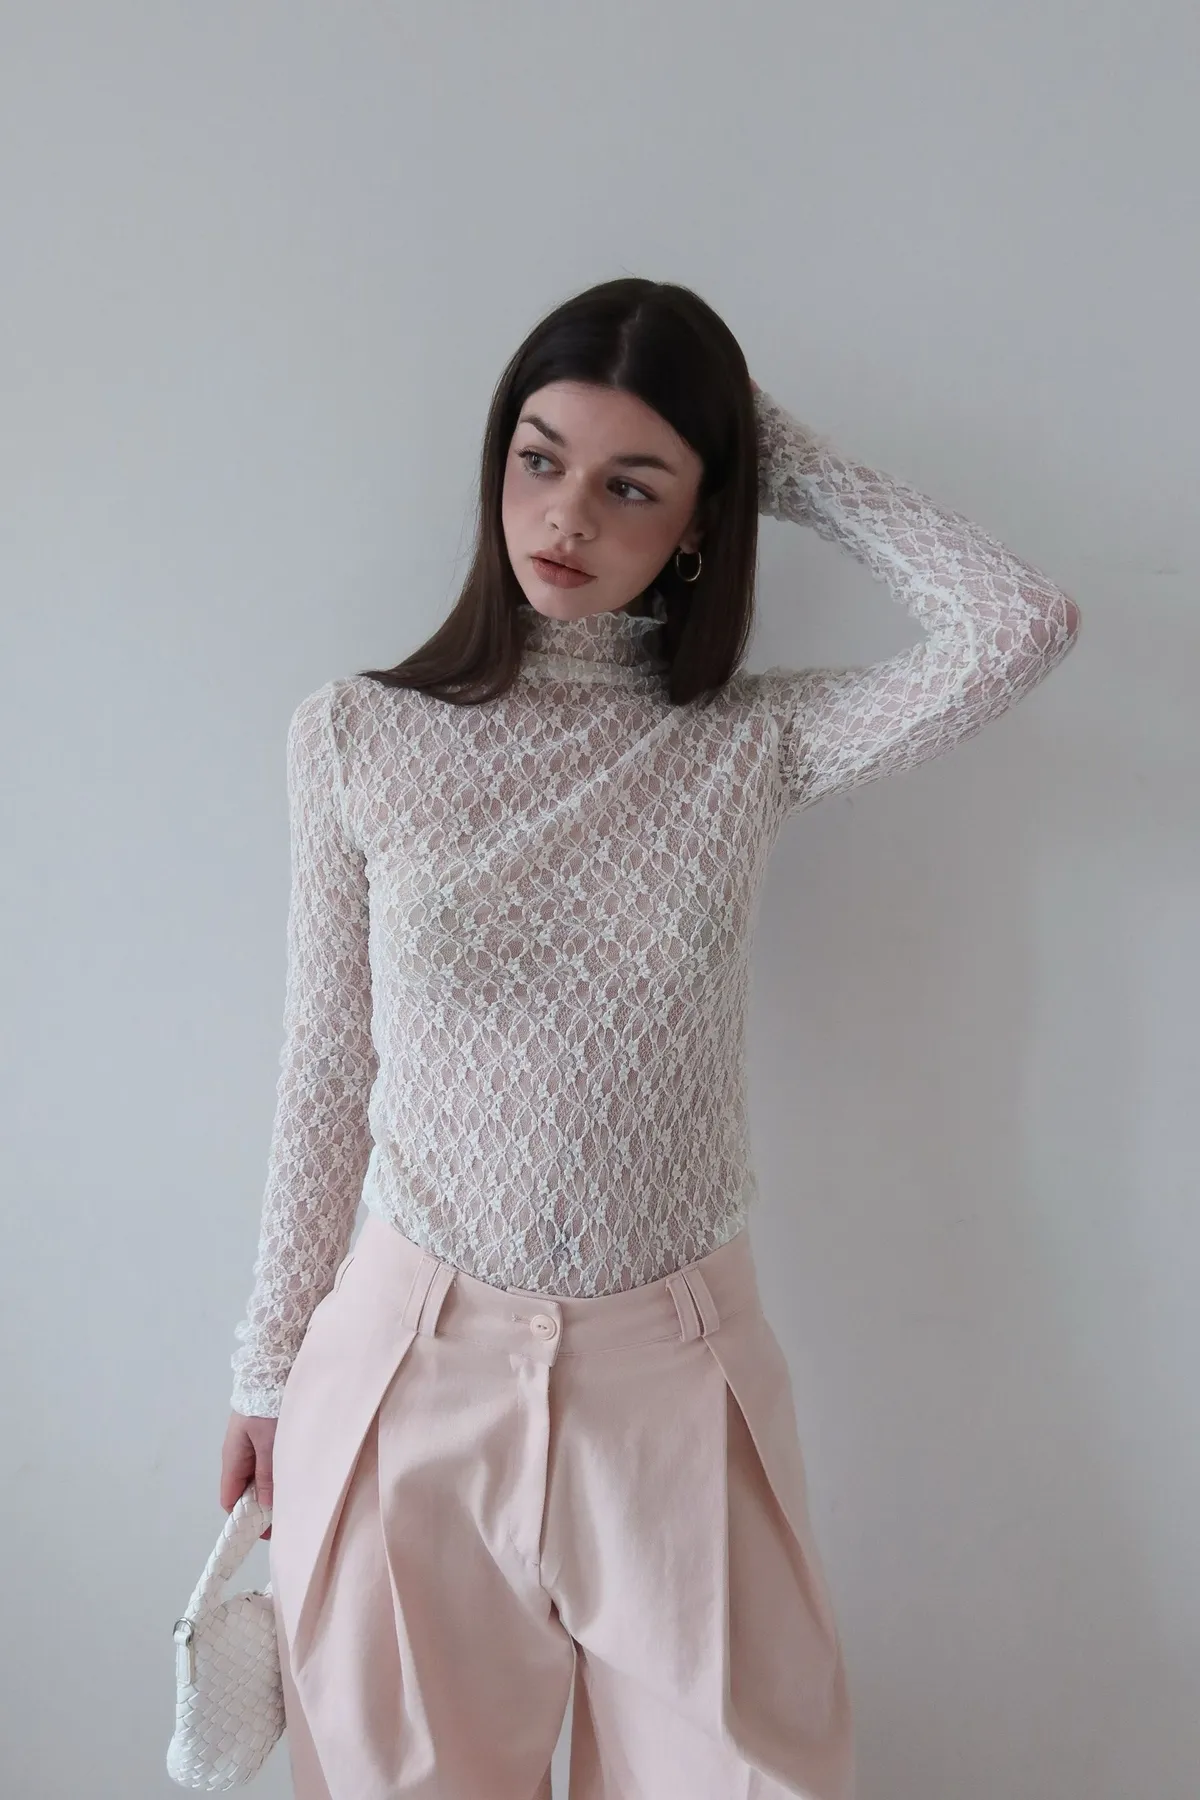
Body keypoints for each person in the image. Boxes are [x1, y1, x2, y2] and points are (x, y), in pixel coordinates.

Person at [219, 276, 1080, 1799]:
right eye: (539, 459)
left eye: (633, 484)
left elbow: (1021, 626)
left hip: (677, 1382)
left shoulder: (748, 743)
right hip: (409, 1364)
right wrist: (267, 1371)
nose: (565, 515)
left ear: (698, 521)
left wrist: (778, 454)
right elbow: (327, 1069)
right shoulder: (356, 734)